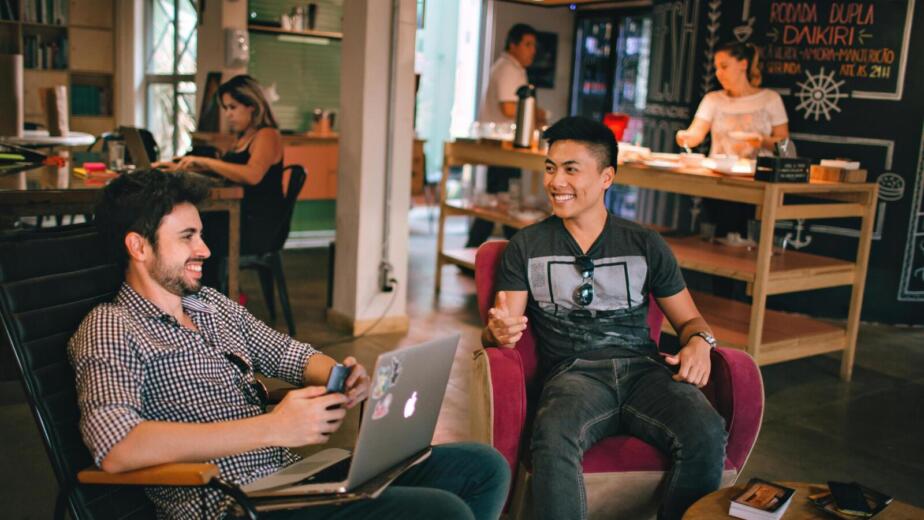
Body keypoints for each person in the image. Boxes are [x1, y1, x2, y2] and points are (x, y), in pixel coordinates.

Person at [69, 170, 510, 519]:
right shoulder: (112, 326)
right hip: (232, 505)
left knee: (482, 467)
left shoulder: (209, 305)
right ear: (138, 246)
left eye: (201, 234)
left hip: (291, 479)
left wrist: (339, 376)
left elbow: (285, 353)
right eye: (187, 237)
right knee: (443, 512)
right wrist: (273, 428)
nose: (204, 249)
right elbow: (116, 447)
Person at [482, 117, 727, 520]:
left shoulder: (645, 244)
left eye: (571, 169)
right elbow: (501, 329)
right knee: (553, 435)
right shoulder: (526, 246)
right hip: (573, 375)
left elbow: (691, 321)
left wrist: (701, 342)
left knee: (705, 429)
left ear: (606, 177)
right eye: (550, 168)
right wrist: (495, 334)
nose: (555, 181)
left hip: (646, 373)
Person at [154, 74, 287, 288]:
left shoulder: (267, 135)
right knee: (187, 230)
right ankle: (195, 295)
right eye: (226, 108)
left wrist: (204, 162)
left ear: (252, 106)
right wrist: (182, 167)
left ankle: (206, 298)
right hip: (241, 216)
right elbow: (228, 172)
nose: (228, 115)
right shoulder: (243, 137)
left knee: (192, 235)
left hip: (258, 225)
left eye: (232, 107)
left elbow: (252, 175)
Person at [466, 23, 547, 248]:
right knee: (503, 204)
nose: (533, 50)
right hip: (503, 147)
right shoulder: (508, 69)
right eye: (528, 44)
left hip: (507, 147)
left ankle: (479, 251)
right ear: (513, 45)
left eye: (534, 45)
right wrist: (537, 112)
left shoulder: (513, 68)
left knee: (503, 203)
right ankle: (514, 254)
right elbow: (509, 109)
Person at [676, 42, 789, 158]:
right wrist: (685, 137)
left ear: (743, 64)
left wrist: (762, 141)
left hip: (758, 172)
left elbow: (786, 146)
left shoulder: (770, 98)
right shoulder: (712, 99)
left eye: (724, 66)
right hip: (718, 171)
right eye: (716, 68)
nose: (718, 73)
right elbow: (696, 134)